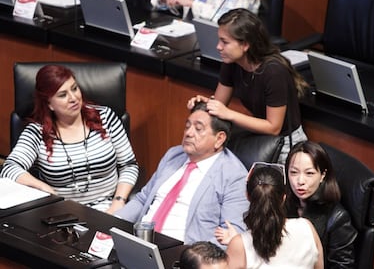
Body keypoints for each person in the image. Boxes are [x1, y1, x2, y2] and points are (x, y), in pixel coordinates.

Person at [0, 65, 138, 214]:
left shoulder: (105, 117)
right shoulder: (37, 133)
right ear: (49, 104)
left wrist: (118, 202)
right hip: (60, 214)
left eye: (74, 88)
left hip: (109, 209)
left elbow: (129, 165)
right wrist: (44, 189)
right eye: (62, 95)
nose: (73, 98)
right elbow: (9, 169)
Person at [115, 101, 249, 245]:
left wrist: (194, 258)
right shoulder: (174, 155)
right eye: (187, 126)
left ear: (219, 139)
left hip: (184, 255)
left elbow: (233, 233)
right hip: (140, 243)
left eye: (198, 128)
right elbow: (142, 199)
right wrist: (113, 224)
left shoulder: (233, 175)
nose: (189, 133)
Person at [188, 8, 308, 164]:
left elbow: (274, 127)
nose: (218, 47)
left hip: (285, 146)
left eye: (225, 42)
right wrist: (204, 105)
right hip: (258, 138)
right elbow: (219, 106)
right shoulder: (231, 63)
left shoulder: (273, 72)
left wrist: (228, 113)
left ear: (245, 45)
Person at [219, 163, 323, 268]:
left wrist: (238, 243)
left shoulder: (239, 245)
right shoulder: (307, 228)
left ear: (247, 195)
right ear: (283, 197)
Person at [285, 141, 357, 268]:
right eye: (294, 172)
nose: (300, 181)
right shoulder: (283, 203)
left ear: (322, 175)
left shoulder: (337, 218)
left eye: (309, 173)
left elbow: (343, 266)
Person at [151, 0, 260, 22]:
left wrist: (192, 3)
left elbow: (229, 20)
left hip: (223, 42)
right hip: (187, 33)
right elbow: (157, 4)